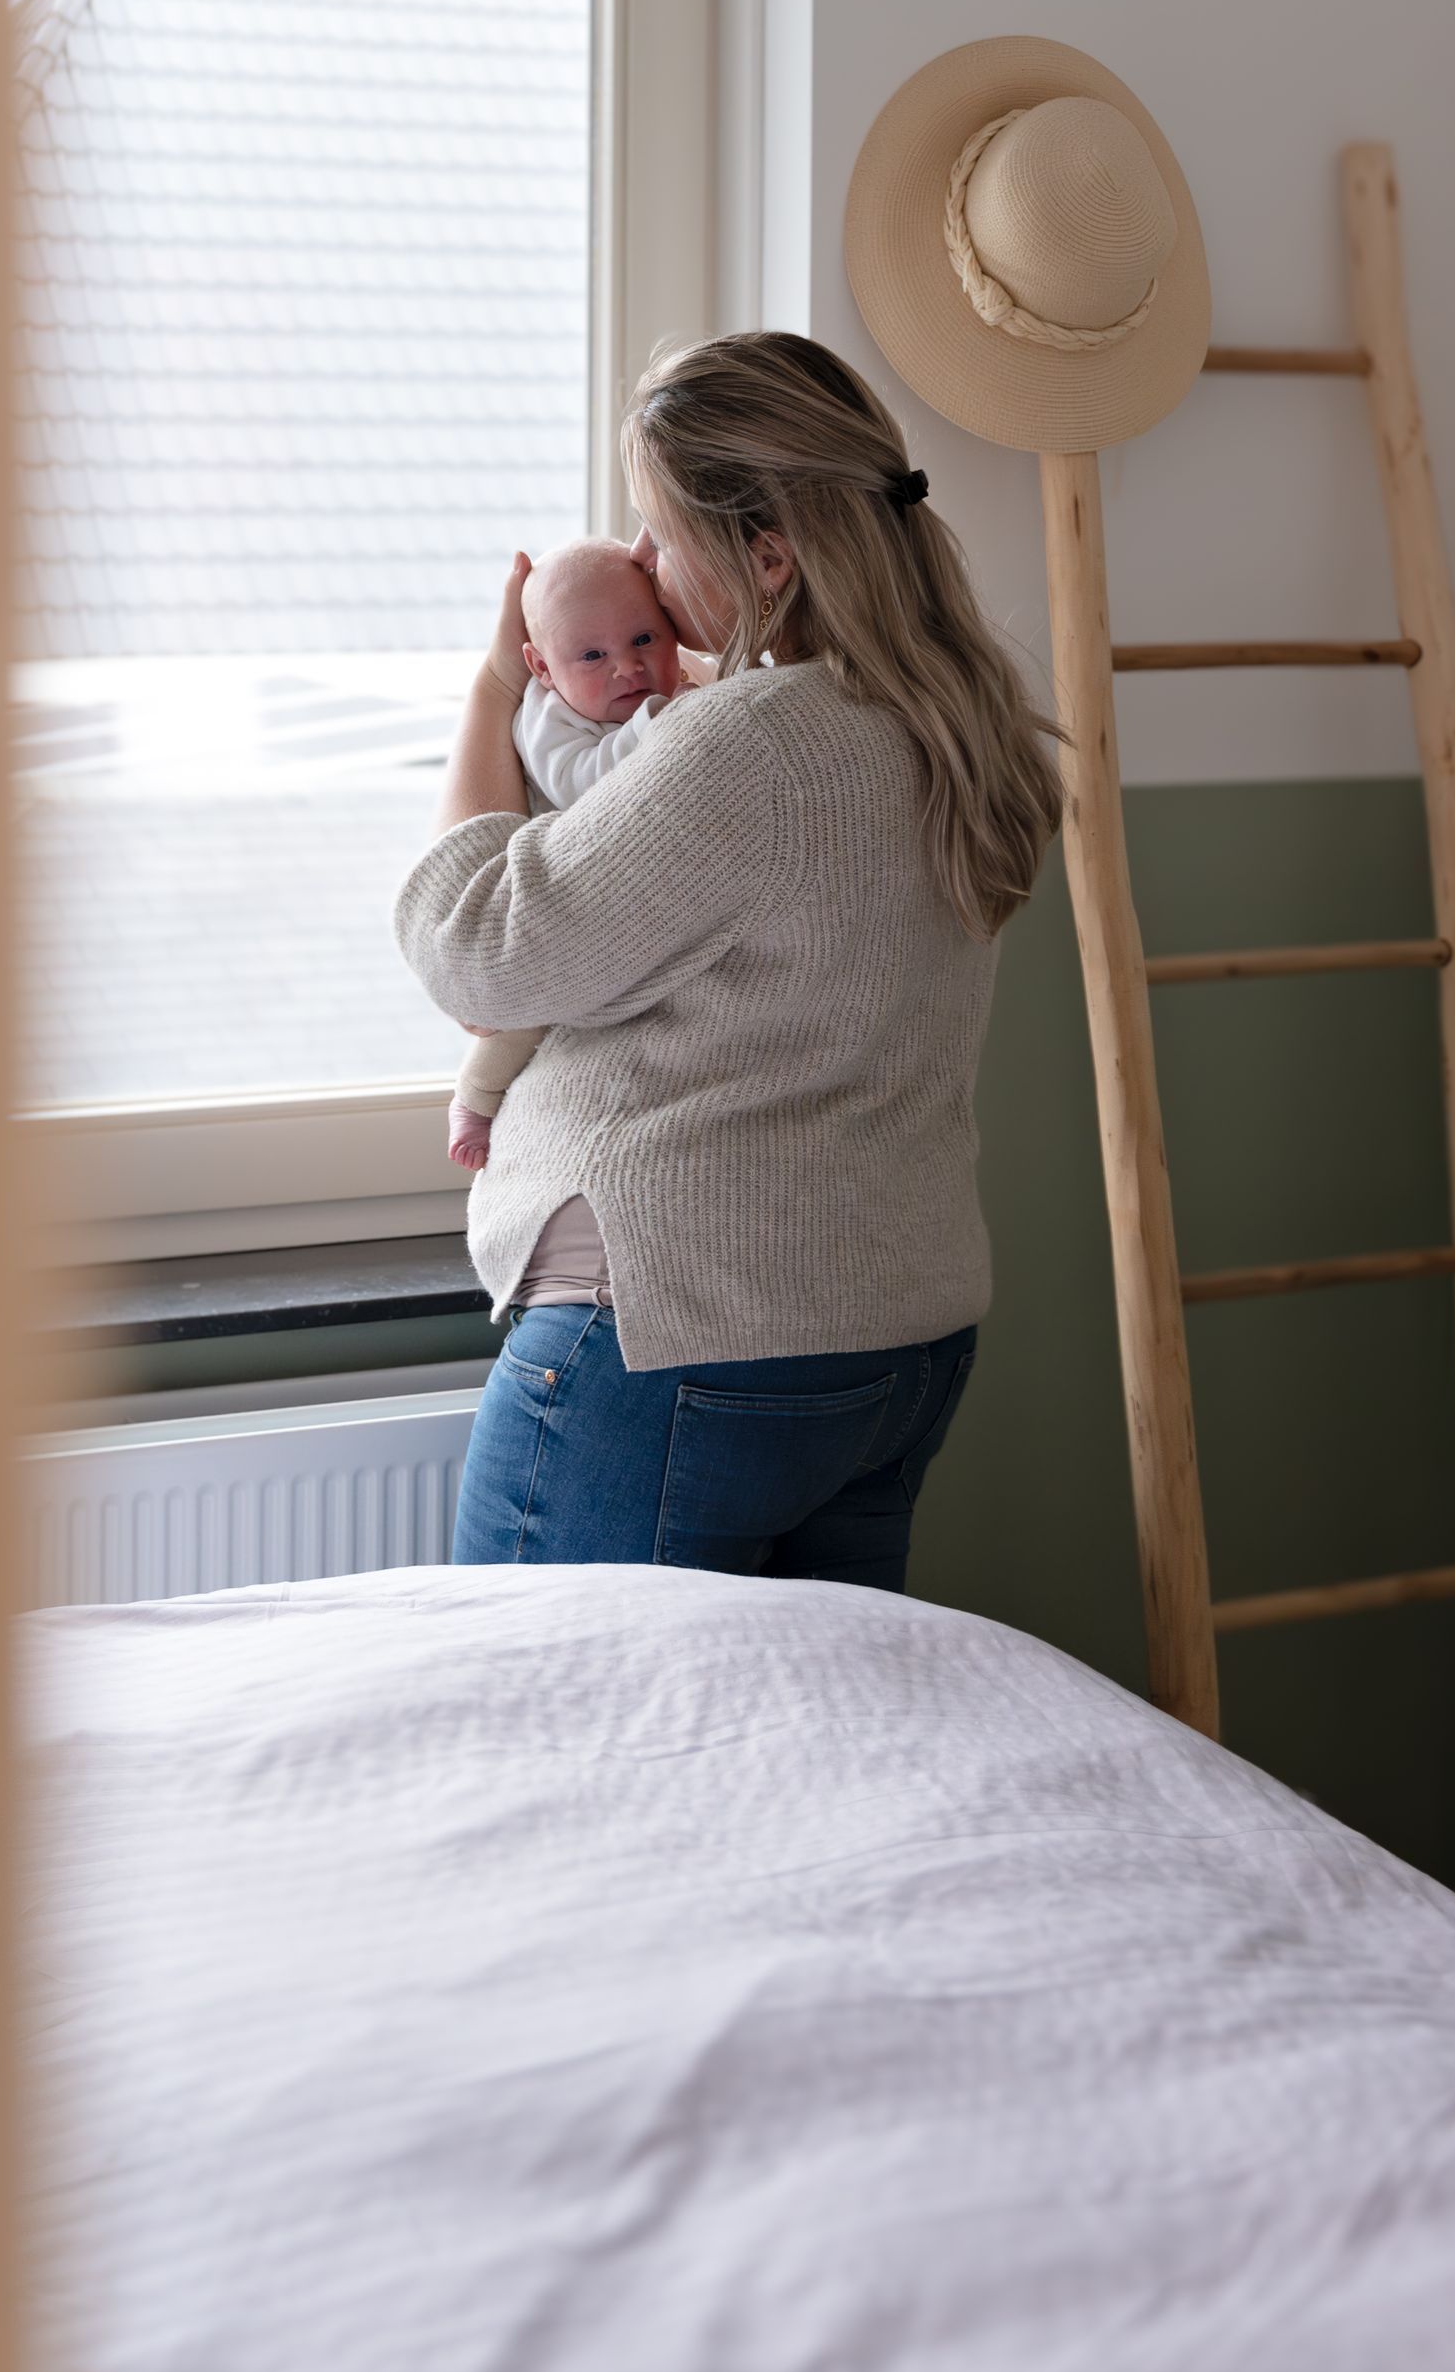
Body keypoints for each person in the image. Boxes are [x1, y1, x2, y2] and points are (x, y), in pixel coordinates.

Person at [395, 330, 1062, 1590]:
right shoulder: (949, 714)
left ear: (766, 553)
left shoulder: (750, 747)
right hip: (895, 1342)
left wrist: (496, 691)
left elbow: (480, 950)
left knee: (567, 1732)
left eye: (659, 532)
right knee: (791, 1761)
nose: (641, 563)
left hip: (681, 1338)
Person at [446, 539, 686, 1171]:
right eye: (592, 655)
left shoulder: (661, 698)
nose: (627, 669)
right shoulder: (547, 718)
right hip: (550, 898)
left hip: (611, 905)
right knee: (527, 1019)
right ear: (542, 668)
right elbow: (583, 780)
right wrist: (658, 723)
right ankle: (475, 1096)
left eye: (644, 640)